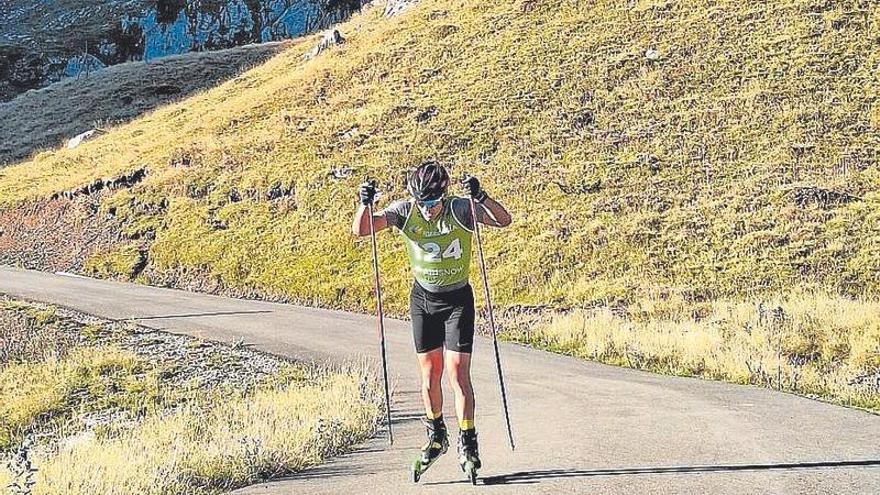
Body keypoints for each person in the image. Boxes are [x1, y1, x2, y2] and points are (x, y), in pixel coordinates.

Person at [351, 161, 512, 478]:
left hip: (457, 301)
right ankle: (437, 436)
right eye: (421, 202)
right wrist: (364, 203)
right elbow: (362, 230)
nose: (427, 209)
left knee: (458, 373)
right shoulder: (405, 211)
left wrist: (480, 197)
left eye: (433, 202)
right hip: (424, 300)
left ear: (444, 195)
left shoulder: (459, 209)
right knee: (429, 376)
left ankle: (468, 442)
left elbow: (503, 220)